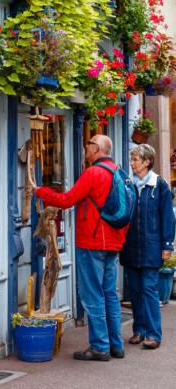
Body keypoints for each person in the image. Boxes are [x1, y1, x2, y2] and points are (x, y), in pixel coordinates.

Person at [33, 134, 127, 361]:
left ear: (97, 149)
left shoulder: (93, 173)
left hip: (92, 241)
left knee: (92, 294)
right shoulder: (118, 171)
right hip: (112, 241)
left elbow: (66, 200)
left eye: (89, 144)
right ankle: (116, 345)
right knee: (109, 294)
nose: (85, 147)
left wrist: (41, 192)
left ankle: (100, 347)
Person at [120, 144, 175, 349]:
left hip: (152, 246)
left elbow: (167, 218)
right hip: (130, 246)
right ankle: (139, 330)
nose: (132, 163)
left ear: (147, 162)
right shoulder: (127, 184)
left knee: (149, 290)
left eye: (135, 160)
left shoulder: (159, 185)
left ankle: (154, 334)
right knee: (135, 291)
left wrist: (167, 245)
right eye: (132, 159)